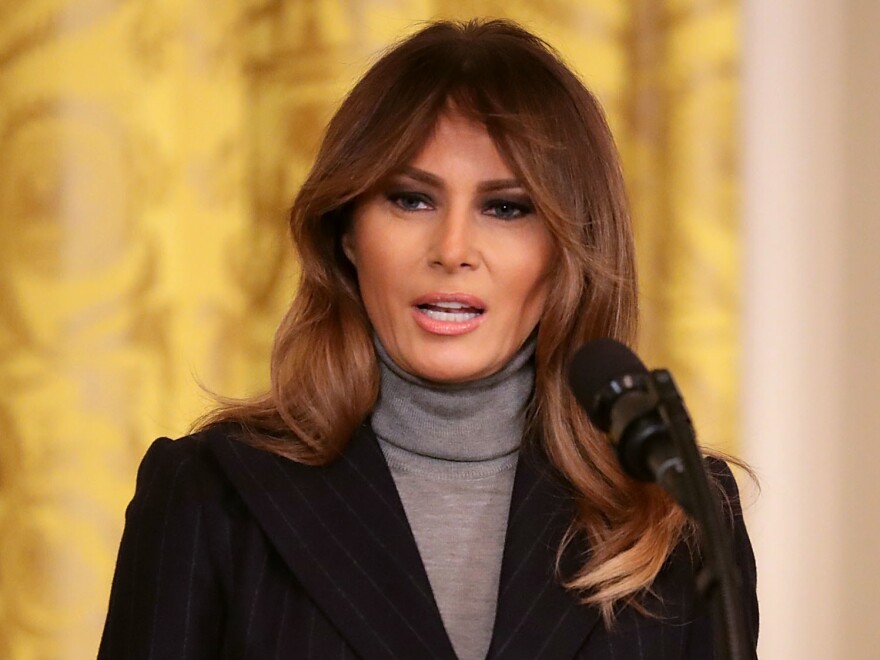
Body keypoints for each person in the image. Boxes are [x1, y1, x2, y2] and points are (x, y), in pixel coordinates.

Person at [99, 18, 758, 660]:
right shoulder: (210, 497)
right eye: (411, 199)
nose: (452, 250)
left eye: (506, 207)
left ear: (567, 249)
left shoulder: (679, 515)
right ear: (347, 232)